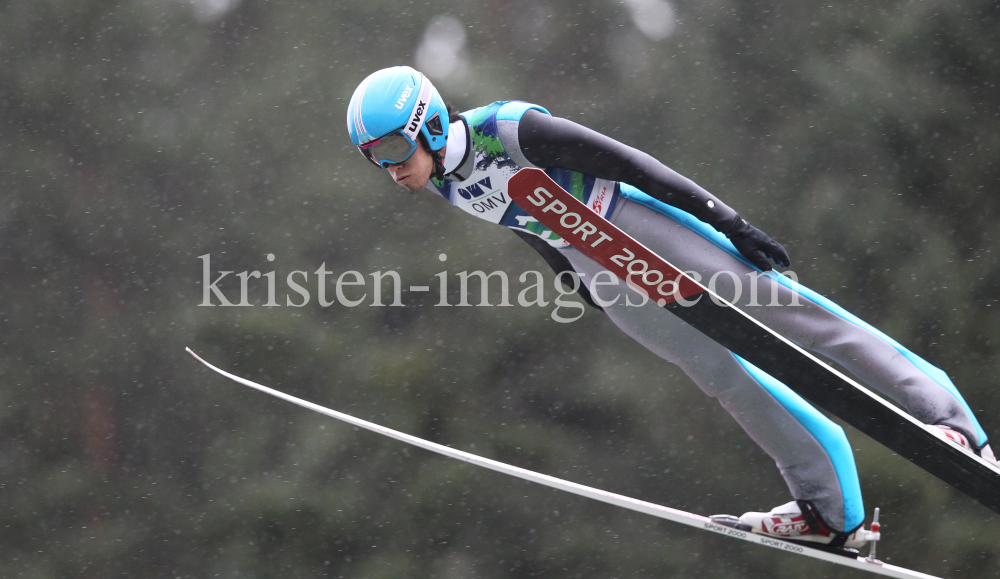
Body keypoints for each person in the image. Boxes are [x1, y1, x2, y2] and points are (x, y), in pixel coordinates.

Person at [346, 66, 996, 549]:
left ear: (427, 125)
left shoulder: (511, 129)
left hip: (638, 224)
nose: (391, 170)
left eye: (395, 152)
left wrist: (727, 220)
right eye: (376, 161)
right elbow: (524, 220)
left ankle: (951, 421)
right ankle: (831, 511)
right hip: (598, 268)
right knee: (722, 377)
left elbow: (632, 164)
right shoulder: (444, 182)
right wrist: (570, 278)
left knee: (789, 312)